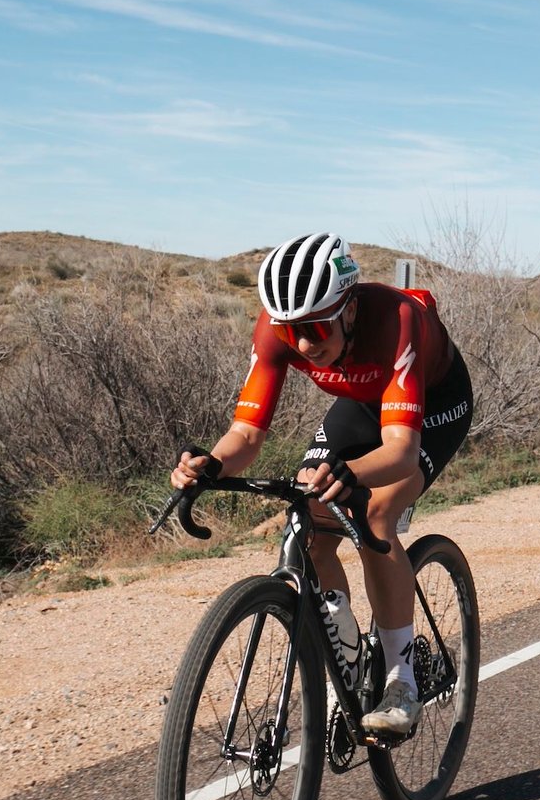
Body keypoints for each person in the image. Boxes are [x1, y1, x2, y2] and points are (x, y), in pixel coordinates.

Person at [171, 232, 473, 736]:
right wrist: (211, 465)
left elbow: (400, 450)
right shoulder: (278, 329)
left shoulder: (398, 319)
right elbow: (246, 434)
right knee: (308, 511)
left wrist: (351, 475)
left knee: (375, 511)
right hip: (361, 402)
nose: (305, 345)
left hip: (435, 406)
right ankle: (347, 660)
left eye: (315, 328)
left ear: (349, 309)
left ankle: (401, 681)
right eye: (292, 332)